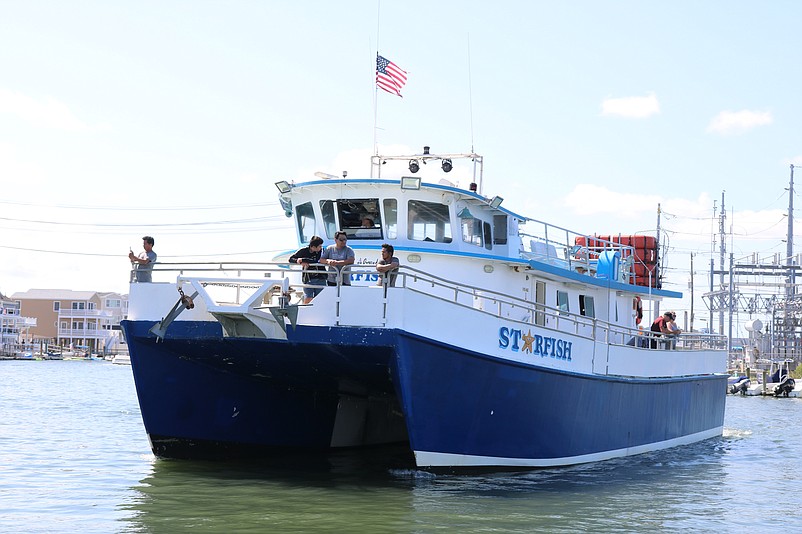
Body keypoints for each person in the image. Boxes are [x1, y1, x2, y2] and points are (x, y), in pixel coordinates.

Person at [289, 236, 326, 304]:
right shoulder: (303, 251)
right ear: (313, 247)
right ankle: (305, 311)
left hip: (320, 278)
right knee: (308, 297)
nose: (321, 248)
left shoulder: (321, 251)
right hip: (308, 278)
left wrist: (303, 259)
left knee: (320, 297)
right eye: (319, 246)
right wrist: (299, 261)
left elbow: (316, 260)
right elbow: (291, 259)